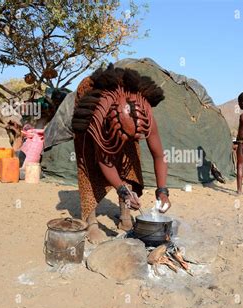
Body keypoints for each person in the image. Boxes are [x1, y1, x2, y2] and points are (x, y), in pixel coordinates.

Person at [71, 64, 171, 244]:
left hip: (123, 117)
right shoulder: (97, 115)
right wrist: (123, 191)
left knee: (131, 157)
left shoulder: (143, 111)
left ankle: (125, 217)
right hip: (90, 112)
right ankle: (90, 221)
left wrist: (162, 191)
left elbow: (159, 155)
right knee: (88, 161)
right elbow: (104, 160)